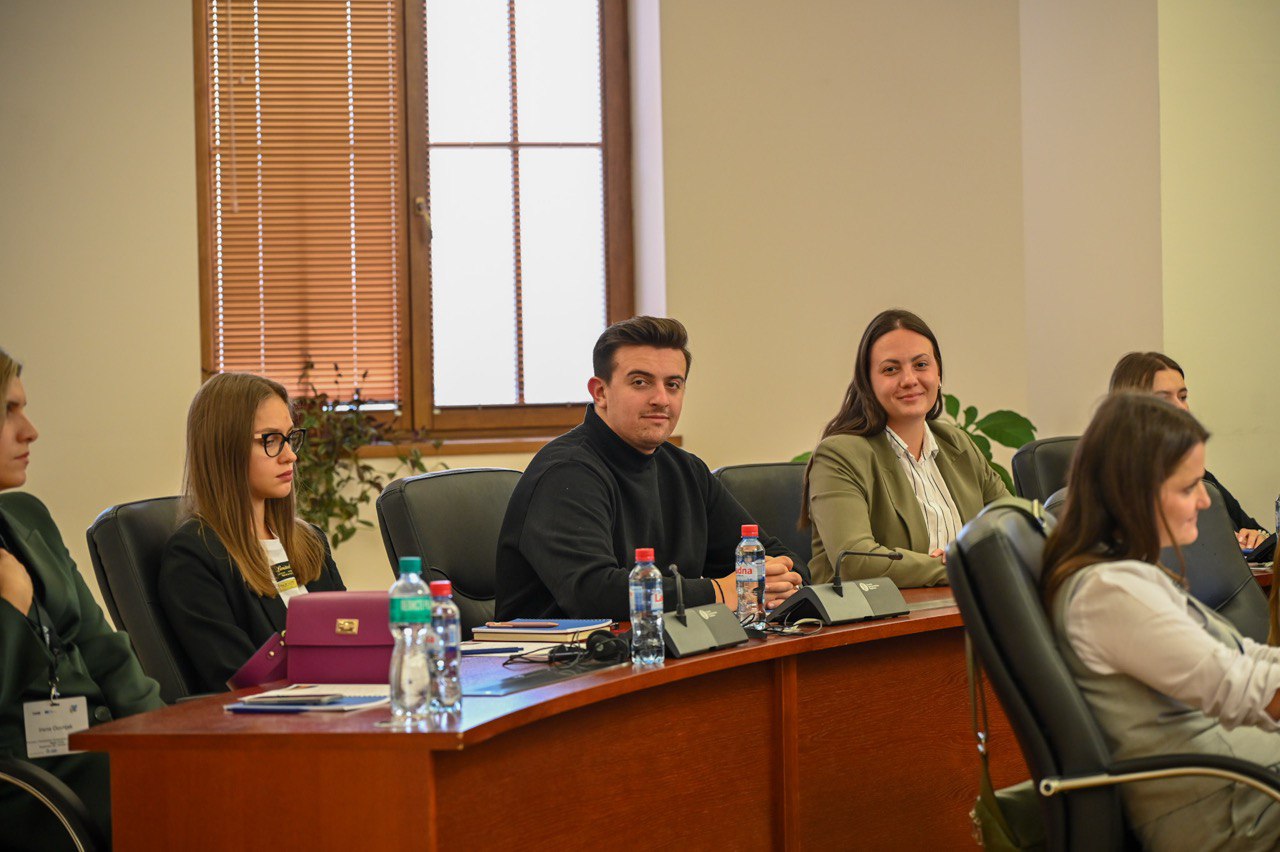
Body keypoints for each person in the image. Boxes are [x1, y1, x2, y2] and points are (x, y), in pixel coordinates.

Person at [1042, 391, 1280, 850]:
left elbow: (1240, 658)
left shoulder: (1122, 571)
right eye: (1188, 488)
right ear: (1133, 492)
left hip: (1242, 781)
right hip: (1227, 808)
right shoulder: (1110, 592)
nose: (1206, 501)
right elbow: (1241, 689)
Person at [496, 316, 803, 621]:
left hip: (669, 645)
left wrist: (781, 578)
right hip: (568, 651)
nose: (661, 399)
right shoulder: (566, 472)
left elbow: (775, 555)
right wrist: (722, 592)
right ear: (600, 392)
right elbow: (594, 594)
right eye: (640, 382)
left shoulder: (686, 470)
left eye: (673, 385)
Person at [0, 347, 163, 851]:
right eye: (8, 411)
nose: (30, 431)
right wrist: (9, 609)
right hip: (35, 783)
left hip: (104, 747)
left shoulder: (28, 516)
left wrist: (163, 737)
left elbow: (104, 649)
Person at [159, 372, 345, 693]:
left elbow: (350, 640)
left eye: (290, 437)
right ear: (224, 448)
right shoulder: (194, 557)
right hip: (278, 718)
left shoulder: (310, 541)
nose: (290, 455)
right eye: (270, 440)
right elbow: (240, 681)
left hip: (347, 703)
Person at [802, 309, 1008, 588]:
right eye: (891, 369)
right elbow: (856, 561)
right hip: (877, 615)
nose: (909, 379)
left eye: (921, 365)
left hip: (963, 608)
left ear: (938, 373)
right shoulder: (839, 456)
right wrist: (956, 566)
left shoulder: (956, 443)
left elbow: (1014, 527)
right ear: (867, 382)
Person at [1110, 351, 1269, 551]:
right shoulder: (1116, 489)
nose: (1182, 408)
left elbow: (1259, 533)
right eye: (1164, 398)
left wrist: (1258, 539)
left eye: (1183, 397)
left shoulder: (1199, 475)